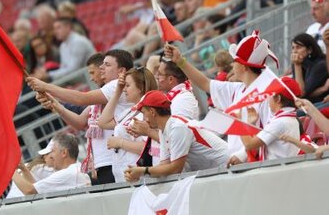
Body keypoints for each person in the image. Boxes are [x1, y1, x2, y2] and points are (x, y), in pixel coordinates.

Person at [164, 30, 279, 164]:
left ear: (243, 66)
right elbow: (205, 83)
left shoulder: (267, 95)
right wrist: (180, 61)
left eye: (235, 60)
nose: (231, 64)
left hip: (256, 164)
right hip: (236, 163)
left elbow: (269, 133)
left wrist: (242, 155)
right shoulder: (237, 89)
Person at [36, 53, 117, 185]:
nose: (91, 78)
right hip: (101, 164)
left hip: (112, 161)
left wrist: (46, 86)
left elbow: (80, 98)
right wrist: (55, 104)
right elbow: (80, 122)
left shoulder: (115, 87)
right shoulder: (97, 100)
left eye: (93, 72)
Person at [124, 90, 229, 181]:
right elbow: (164, 166)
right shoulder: (164, 129)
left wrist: (143, 171)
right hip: (219, 171)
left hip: (229, 167)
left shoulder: (178, 127)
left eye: (143, 113)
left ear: (152, 112)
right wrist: (140, 174)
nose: (143, 118)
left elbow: (175, 169)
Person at [98, 67, 158, 182]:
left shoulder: (148, 113)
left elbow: (148, 148)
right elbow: (102, 122)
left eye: (128, 86)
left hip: (138, 177)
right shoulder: (131, 110)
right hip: (123, 176)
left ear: (140, 88)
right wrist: (117, 92)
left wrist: (120, 142)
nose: (124, 89)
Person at [239, 77, 302, 161]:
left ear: (278, 99)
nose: (267, 98)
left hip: (276, 169)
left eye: (270, 95)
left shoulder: (280, 122)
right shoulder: (288, 119)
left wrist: (240, 122)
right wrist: (251, 124)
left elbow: (249, 145)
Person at [12, 132, 91, 195]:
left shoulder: (68, 173)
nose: (49, 156)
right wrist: (24, 169)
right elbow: (38, 193)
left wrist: (11, 169)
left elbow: (29, 191)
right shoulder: (74, 169)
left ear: (64, 153)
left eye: (53, 151)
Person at [291, 33, 329, 103]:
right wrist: (322, 89)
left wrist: (297, 65)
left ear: (309, 50)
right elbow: (295, 93)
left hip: (321, 102)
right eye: (293, 47)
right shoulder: (298, 64)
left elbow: (301, 93)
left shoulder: (320, 65)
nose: (294, 51)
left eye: (298, 47)